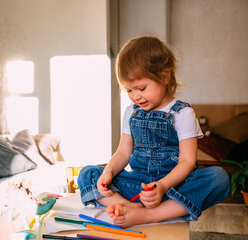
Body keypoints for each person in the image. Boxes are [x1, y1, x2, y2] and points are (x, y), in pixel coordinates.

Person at [77, 36, 230, 227]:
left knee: (219, 178)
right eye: (129, 90)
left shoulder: (183, 113)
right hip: (139, 186)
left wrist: (163, 185)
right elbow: (123, 152)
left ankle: (149, 215)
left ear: (164, 77)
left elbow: (187, 162)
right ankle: (129, 207)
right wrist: (108, 171)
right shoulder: (131, 112)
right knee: (87, 174)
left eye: (141, 88)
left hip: (174, 186)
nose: (135, 96)